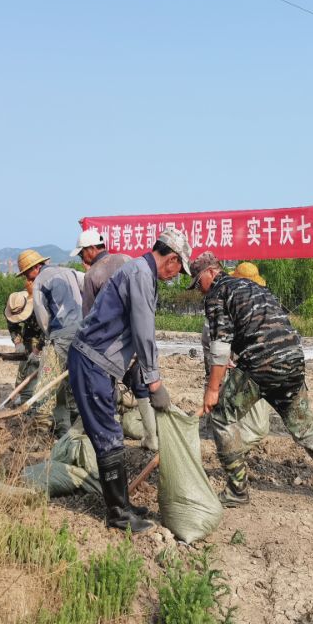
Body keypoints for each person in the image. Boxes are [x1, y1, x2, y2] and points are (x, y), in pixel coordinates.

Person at [191, 252, 313, 507]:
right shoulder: (256, 288)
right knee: (307, 430)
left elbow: (220, 346)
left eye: (198, 282)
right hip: (293, 361)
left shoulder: (217, 293)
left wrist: (213, 390)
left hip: (261, 364)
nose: (199, 289)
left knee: (221, 416)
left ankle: (237, 490)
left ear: (211, 272)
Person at [68, 227, 192, 534]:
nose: (175, 276)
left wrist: (137, 370)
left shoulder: (140, 272)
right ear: (172, 259)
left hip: (99, 362)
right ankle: (118, 514)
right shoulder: (140, 274)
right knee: (109, 436)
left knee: (110, 434)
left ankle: (123, 505)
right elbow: (143, 330)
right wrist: (154, 382)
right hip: (92, 362)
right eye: (178, 269)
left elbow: (128, 332)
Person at [72, 228, 159, 451]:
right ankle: (152, 437)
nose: (82, 258)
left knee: (104, 390)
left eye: (82, 253)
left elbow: (90, 317)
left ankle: (106, 436)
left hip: (108, 346)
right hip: (136, 336)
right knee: (140, 381)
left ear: (92, 249)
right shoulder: (128, 261)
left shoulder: (92, 275)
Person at [199, 260, 272, 452]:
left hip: (245, 362)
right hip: (221, 356)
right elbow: (212, 339)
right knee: (217, 384)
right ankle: (217, 427)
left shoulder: (258, 306)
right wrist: (224, 360)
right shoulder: (224, 301)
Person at [18, 248, 84, 436]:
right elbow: (89, 286)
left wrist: (48, 339)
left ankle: (40, 431)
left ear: (34, 268)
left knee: (47, 382)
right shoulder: (70, 272)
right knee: (75, 380)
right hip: (82, 333)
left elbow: (42, 317)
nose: (27, 278)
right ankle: (76, 429)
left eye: (26, 274)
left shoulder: (40, 282)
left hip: (60, 334)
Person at [4, 285, 44, 405]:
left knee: (36, 365)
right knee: (24, 364)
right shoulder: (12, 304)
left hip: (44, 334)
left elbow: (47, 330)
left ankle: (32, 396)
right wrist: (17, 342)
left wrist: (37, 349)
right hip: (28, 333)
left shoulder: (40, 305)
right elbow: (12, 326)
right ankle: (20, 393)